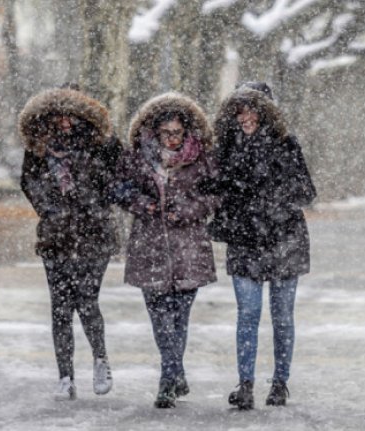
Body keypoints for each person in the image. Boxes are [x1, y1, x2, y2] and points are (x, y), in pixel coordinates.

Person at [204, 82, 316, 410]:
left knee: (282, 316)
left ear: (267, 111)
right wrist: (225, 191)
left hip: (284, 240)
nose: (246, 116)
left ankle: (280, 383)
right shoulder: (223, 147)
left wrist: (270, 198)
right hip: (244, 240)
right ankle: (246, 385)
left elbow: (306, 192)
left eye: (252, 108)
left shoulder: (285, 144)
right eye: (240, 109)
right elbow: (212, 187)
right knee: (248, 314)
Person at [18, 86, 121, 400]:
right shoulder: (39, 147)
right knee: (60, 308)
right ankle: (65, 376)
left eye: (71, 113)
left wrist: (90, 202)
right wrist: (51, 209)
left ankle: (100, 358)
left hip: (95, 236)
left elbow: (115, 180)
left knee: (86, 300)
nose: (65, 121)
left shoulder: (103, 144)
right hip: (56, 238)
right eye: (59, 114)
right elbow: (29, 182)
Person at [115, 93, 217, 408]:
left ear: (186, 131)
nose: (171, 139)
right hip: (150, 247)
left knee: (180, 317)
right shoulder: (137, 157)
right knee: (160, 319)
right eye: (165, 133)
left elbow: (215, 194)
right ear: (154, 132)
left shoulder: (201, 157)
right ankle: (173, 372)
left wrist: (187, 209)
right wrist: (145, 204)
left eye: (177, 132)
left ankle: (168, 379)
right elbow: (119, 188)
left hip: (189, 249)